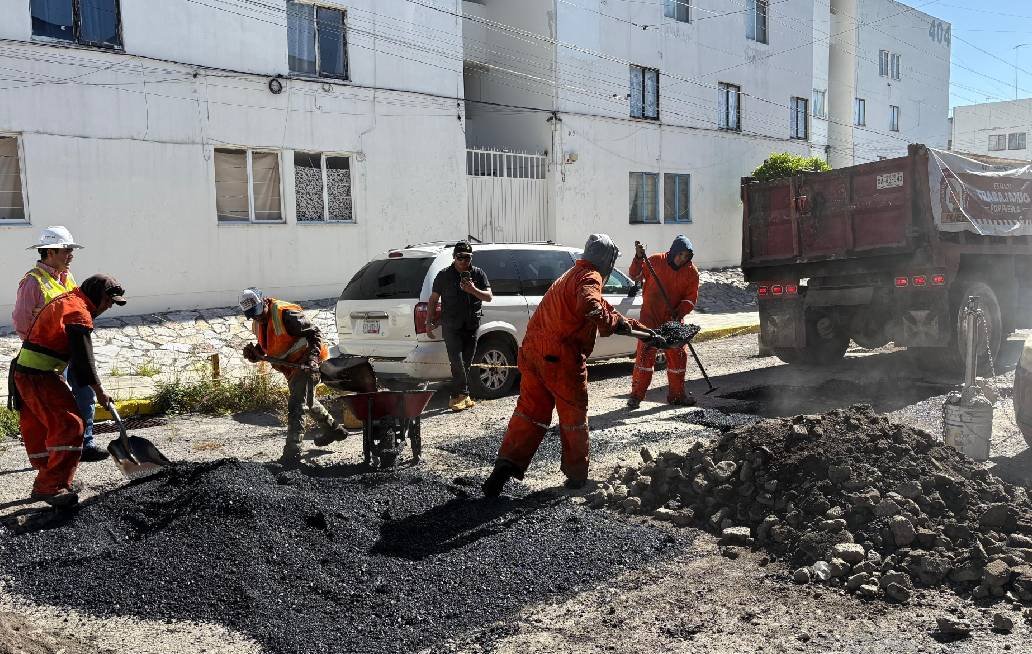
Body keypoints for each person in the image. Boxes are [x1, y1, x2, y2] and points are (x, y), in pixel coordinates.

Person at [482, 234, 656, 497]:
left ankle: (505, 465)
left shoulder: (569, 276)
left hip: (532, 353)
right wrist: (610, 324)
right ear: (606, 261)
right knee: (573, 417)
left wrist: (639, 329)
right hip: (560, 357)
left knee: (530, 413)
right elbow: (591, 305)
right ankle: (576, 477)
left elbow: (604, 307)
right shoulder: (590, 277)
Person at [11, 275, 124, 507]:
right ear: (96, 295)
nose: (110, 305)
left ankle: (51, 479)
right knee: (70, 425)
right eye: (108, 300)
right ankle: (50, 486)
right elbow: (84, 363)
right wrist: (100, 393)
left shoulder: (72, 300)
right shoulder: (78, 313)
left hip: (30, 372)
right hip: (37, 376)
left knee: (45, 428)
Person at [11, 226, 108, 461]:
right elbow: (22, 323)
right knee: (59, 402)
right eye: (67, 250)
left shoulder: (67, 277)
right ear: (50, 252)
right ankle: (57, 450)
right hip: (50, 355)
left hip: (70, 349)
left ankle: (85, 443)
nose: (71, 255)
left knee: (85, 393)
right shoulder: (32, 282)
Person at [239, 288, 348, 464]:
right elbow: (269, 345)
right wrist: (256, 354)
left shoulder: (286, 314)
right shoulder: (258, 322)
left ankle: (292, 453)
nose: (257, 317)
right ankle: (334, 430)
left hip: (307, 362)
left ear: (264, 301)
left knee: (297, 405)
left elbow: (315, 333)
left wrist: (312, 358)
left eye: (258, 313)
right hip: (291, 368)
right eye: (252, 315)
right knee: (308, 401)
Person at [626, 235, 700, 409]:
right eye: (680, 254)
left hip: (673, 321)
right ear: (673, 251)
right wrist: (638, 258)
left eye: (686, 256)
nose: (683, 259)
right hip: (650, 319)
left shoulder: (691, 272)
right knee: (644, 357)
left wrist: (680, 311)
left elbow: (690, 299)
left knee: (679, 356)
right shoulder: (655, 261)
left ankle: (676, 396)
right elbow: (634, 275)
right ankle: (636, 396)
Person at [426, 241, 493, 412]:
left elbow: (488, 297)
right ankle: (457, 396)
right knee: (457, 362)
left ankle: (464, 395)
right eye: (460, 257)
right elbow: (433, 300)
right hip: (451, 326)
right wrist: (429, 322)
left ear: (471, 257)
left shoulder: (478, 274)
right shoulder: (444, 275)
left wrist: (473, 290)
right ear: (454, 257)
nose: (464, 261)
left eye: (467, 257)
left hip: (471, 325)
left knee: (467, 362)